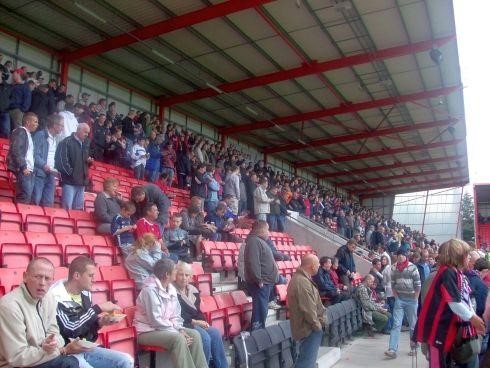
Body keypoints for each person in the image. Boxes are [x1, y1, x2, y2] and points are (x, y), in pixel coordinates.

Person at [50, 256, 133, 368]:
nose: (93, 279)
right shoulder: (55, 296)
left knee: (126, 360)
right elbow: (71, 329)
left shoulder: (85, 293)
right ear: (77, 276)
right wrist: (97, 309)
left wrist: (100, 322)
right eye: (90, 275)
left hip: (85, 347)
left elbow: (85, 323)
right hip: (68, 352)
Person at [415, 239, 486, 368]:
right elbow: (454, 302)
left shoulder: (455, 273)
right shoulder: (448, 273)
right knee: (438, 364)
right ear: (458, 256)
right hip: (437, 331)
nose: (469, 257)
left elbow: (464, 301)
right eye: (467, 254)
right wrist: (472, 317)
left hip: (445, 330)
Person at [0, 258, 80, 368]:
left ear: (52, 280)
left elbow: (55, 334)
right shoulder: (9, 306)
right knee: (69, 363)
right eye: (37, 277)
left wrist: (52, 345)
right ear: (25, 276)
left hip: (42, 357)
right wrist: (57, 350)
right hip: (17, 365)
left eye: (47, 278)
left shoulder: (49, 298)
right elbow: (17, 356)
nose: (42, 283)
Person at [134, 259, 208, 368]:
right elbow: (156, 321)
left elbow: (175, 315)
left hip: (164, 329)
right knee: (178, 338)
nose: (176, 272)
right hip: (146, 331)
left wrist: (180, 329)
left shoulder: (171, 288)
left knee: (195, 335)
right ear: (167, 275)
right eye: (174, 271)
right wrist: (177, 332)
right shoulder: (149, 291)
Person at [174, 262, 228, 368]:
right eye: (181, 274)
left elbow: (197, 311)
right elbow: (178, 314)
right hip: (182, 323)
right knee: (205, 338)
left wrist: (202, 322)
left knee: (215, 332)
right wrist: (196, 322)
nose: (184, 278)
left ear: (190, 277)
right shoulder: (172, 291)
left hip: (194, 322)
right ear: (175, 275)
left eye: (187, 275)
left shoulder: (193, 290)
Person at [287, 254, 325, 368]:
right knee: (306, 363)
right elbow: (308, 309)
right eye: (318, 264)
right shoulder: (301, 282)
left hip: (308, 327)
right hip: (309, 329)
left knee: (307, 361)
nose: (319, 266)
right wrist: (317, 326)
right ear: (312, 266)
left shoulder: (303, 279)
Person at [385, 249, 421, 359]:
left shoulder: (412, 267)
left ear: (406, 256)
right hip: (400, 300)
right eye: (398, 254)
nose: (400, 256)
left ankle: (414, 347)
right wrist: (397, 298)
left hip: (411, 300)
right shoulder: (394, 268)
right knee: (396, 324)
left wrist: (415, 299)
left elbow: (418, 285)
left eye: (402, 255)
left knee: (413, 325)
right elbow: (393, 284)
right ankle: (392, 349)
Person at [244, 220, 279, 330]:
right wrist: (258, 280)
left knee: (262, 309)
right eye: (267, 229)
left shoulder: (258, 241)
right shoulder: (254, 241)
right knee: (260, 310)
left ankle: (259, 331)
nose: (268, 233)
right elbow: (253, 262)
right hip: (260, 283)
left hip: (265, 282)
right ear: (261, 230)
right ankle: (257, 333)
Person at [55, 123, 93, 210]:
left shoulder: (85, 143)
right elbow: (61, 162)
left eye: (88, 133)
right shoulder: (66, 142)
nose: (87, 135)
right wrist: (72, 173)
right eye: (85, 132)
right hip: (69, 182)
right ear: (78, 130)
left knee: (78, 209)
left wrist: (89, 162)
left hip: (82, 182)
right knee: (67, 208)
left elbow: (83, 161)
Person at [6, 112, 39, 203]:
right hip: (23, 169)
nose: (37, 124)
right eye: (35, 122)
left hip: (28, 169)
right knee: (24, 195)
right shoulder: (20, 131)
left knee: (26, 196)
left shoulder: (28, 134)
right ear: (28, 122)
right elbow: (16, 150)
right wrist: (23, 167)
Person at [32, 114, 63, 206]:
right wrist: (44, 165)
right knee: (35, 200)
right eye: (61, 125)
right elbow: (34, 155)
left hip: (51, 174)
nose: (63, 128)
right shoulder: (40, 135)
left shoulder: (55, 139)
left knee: (49, 203)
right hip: (39, 173)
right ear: (55, 125)